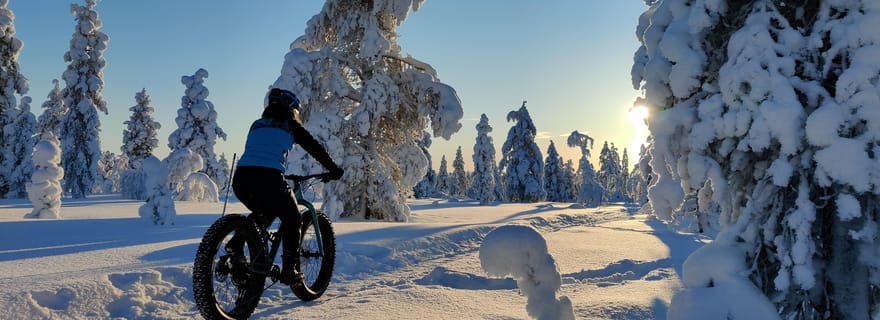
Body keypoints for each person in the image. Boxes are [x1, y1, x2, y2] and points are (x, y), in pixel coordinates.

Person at [229, 88, 343, 286]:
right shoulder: (291, 125)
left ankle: (236, 245)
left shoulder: (256, 124)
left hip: (241, 179)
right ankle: (290, 270)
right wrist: (333, 169)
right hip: (270, 178)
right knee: (293, 219)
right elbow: (314, 148)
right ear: (291, 109)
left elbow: (261, 151)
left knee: (264, 212)